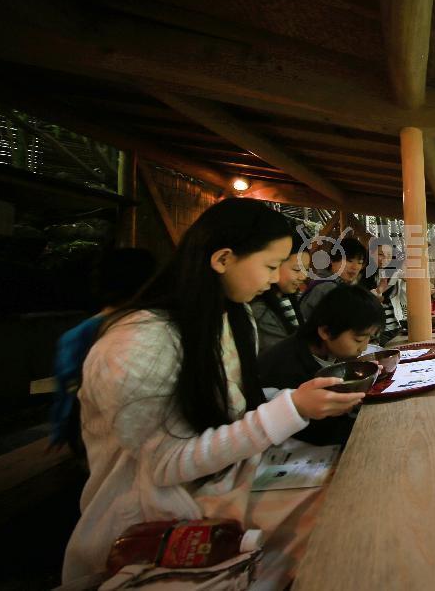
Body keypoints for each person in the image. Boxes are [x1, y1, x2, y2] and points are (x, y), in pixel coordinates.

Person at [61, 198, 364, 589]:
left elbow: (235, 408)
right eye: (271, 266)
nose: (275, 280)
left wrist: (305, 402)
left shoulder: (232, 317)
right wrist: (290, 408)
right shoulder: (136, 345)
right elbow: (169, 464)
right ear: (223, 259)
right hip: (153, 530)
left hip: (219, 495)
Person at [50, 248, 157, 456]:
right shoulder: (154, 328)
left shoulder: (74, 336)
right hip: (125, 435)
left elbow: (66, 388)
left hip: (89, 431)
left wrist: (58, 431)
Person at [257, 283, 384, 445]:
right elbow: (317, 431)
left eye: (370, 339)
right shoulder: (288, 366)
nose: (364, 347)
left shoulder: (326, 351)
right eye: (358, 339)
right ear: (325, 331)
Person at [250, 226, 311, 352]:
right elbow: (284, 355)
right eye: (296, 269)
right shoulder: (259, 310)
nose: (303, 276)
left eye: (306, 269)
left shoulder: (287, 298)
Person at [300, 236, 367, 319]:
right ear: (332, 259)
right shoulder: (329, 288)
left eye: (360, 262)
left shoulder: (323, 280)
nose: (355, 267)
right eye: (349, 260)